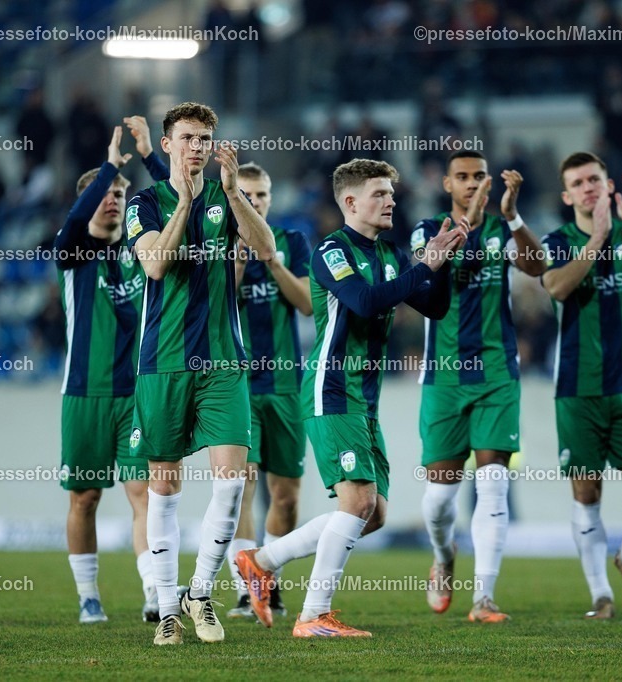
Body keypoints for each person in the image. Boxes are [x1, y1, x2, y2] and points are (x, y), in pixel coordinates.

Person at [237, 158, 466, 637]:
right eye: (380, 193)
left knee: (373, 514)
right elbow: (364, 302)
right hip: (333, 390)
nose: (391, 201)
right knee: (357, 501)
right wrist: (424, 265)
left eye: (391, 193)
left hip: (364, 399)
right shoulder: (331, 251)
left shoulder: (389, 253)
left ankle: (262, 560)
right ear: (350, 202)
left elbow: (436, 307)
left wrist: (440, 266)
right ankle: (312, 616)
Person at [126, 102, 277, 645]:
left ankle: (200, 593)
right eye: (188, 137)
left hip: (223, 361)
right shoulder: (145, 203)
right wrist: (185, 205)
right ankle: (169, 607)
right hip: (163, 363)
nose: (197, 146)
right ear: (167, 144)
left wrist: (234, 193)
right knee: (164, 486)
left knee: (233, 483)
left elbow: (266, 249)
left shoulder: (225, 195)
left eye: (205, 138)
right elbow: (155, 264)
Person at [411, 150, 546, 623]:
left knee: (492, 485)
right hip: (444, 377)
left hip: (496, 374)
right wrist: (469, 217)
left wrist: (513, 217)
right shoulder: (427, 230)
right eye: (463, 177)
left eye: (479, 176)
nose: (472, 183)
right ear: (447, 184)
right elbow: (432, 268)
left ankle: (484, 597)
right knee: (439, 499)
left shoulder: (502, 229)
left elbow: (537, 266)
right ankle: (443, 554)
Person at [541, 152, 622, 619]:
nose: (588, 188)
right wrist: (596, 238)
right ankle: (600, 594)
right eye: (578, 183)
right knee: (586, 494)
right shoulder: (556, 241)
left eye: (594, 179)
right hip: (576, 390)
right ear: (567, 196)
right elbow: (557, 287)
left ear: (609, 185)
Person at [52, 124, 169, 624]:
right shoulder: (73, 253)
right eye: (104, 193)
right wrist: (109, 168)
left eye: (120, 194)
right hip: (84, 392)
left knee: (144, 493)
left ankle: (152, 590)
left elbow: (175, 202)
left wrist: (147, 157)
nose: (113, 200)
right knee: (85, 497)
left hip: (135, 394)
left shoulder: (144, 250)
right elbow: (72, 223)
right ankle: (88, 596)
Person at [224, 162, 312, 620]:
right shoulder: (217, 244)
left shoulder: (293, 242)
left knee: (288, 496)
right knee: (242, 486)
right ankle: (246, 590)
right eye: (246, 195)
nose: (254, 202)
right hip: (237, 385)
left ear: (270, 199)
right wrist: (239, 263)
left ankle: (268, 576)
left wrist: (272, 260)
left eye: (260, 195)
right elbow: (213, 308)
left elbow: (309, 304)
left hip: (286, 387)